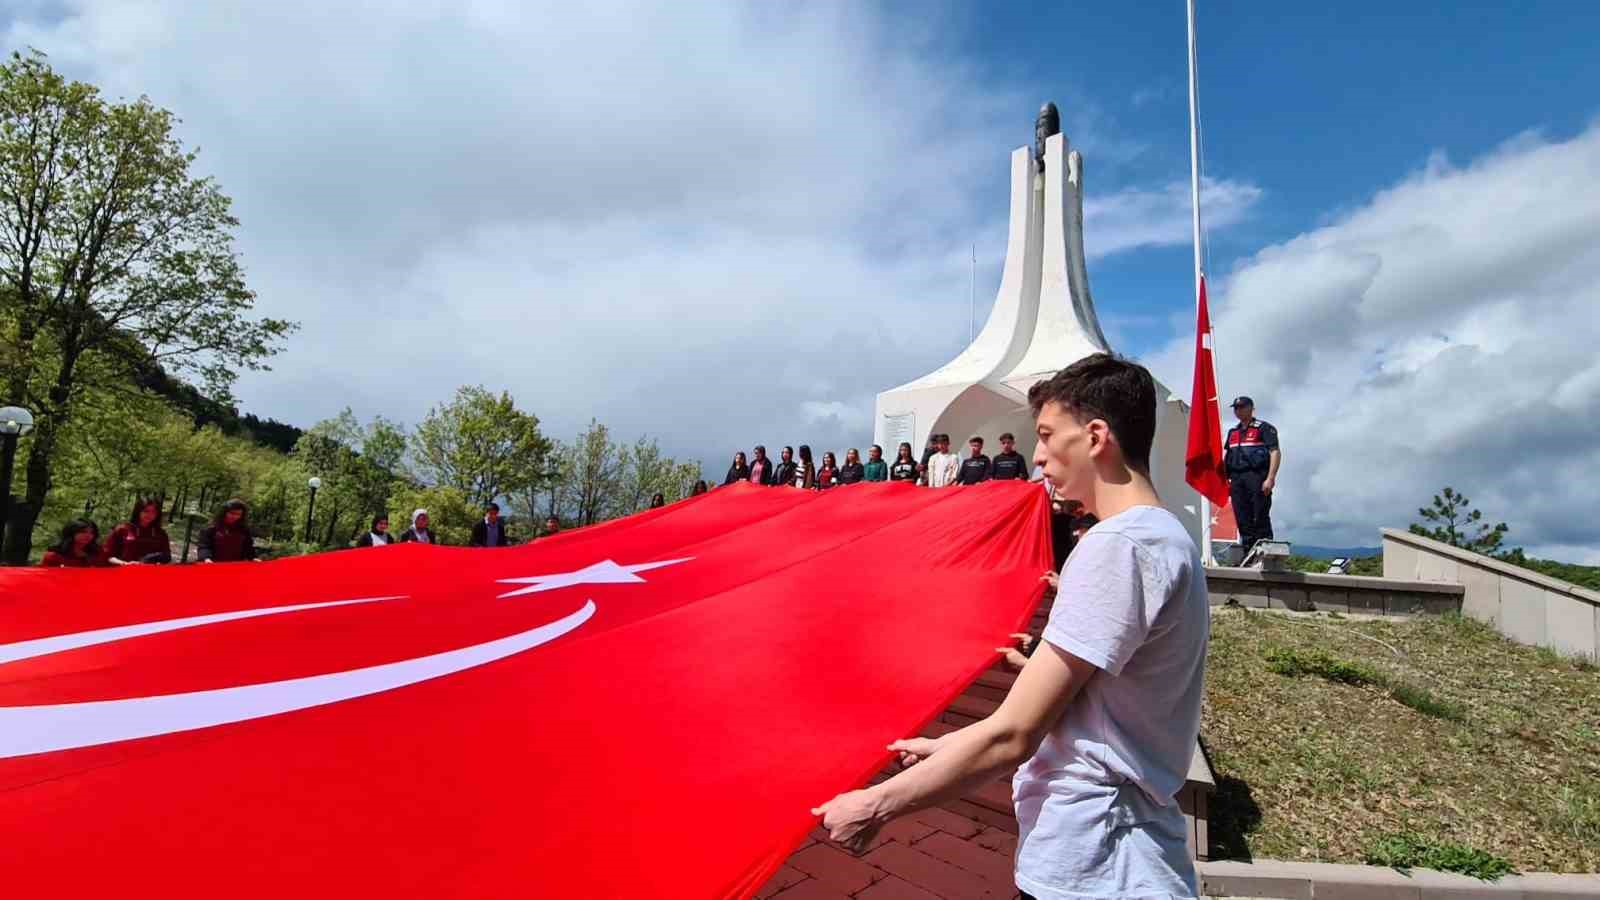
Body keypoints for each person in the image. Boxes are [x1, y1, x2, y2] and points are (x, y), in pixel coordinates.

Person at [813, 353, 1210, 900]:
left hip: (1097, 865)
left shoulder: (1118, 547)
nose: (1039, 456)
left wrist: (875, 805)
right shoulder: (1161, 537)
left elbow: (1014, 734)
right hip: (1121, 856)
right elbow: (1074, 711)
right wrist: (953, 744)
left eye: (1047, 435)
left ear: (1096, 437)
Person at [1220, 395, 1280, 553]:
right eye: (1235, 408)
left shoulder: (1263, 428)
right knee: (1242, 516)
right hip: (1237, 478)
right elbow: (1228, 456)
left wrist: (1270, 478)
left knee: (1259, 514)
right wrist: (1225, 479)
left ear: (1251, 408)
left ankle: (1265, 550)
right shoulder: (1233, 432)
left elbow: (1275, 452)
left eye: (1241, 407)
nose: (1238, 411)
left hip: (1257, 476)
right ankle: (1248, 551)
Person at [102, 496, 172, 565]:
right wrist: (124, 564)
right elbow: (108, 556)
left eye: (154, 512)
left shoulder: (161, 534)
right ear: (138, 511)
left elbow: (167, 557)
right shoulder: (122, 529)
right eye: (146, 511)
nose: (149, 514)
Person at [40, 519, 105, 567]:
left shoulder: (98, 553)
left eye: (92, 533)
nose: (88, 535)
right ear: (71, 533)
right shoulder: (53, 556)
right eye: (83, 532)